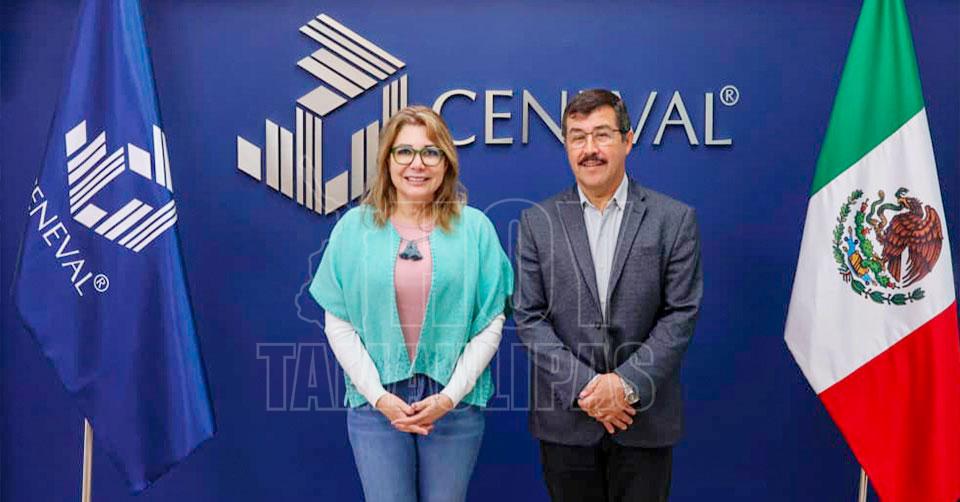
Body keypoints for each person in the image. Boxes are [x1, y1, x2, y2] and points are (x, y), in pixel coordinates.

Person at [309, 105, 512, 502]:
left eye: (430, 152)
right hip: (375, 401)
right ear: (387, 160)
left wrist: (450, 396)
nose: (417, 164)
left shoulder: (476, 229)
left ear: (446, 162)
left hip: (454, 400)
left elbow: (491, 321)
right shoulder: (353, 229)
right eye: (404, 151)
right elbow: (338, 322)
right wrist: (379, 396)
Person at [514, 89, 703, 502]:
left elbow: (680, 314)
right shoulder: (536, 222)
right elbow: (529, 316)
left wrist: (625, 385)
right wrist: (587, 388)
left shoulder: (673, 219)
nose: (590, 149)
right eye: (578, 137)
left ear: (627, 140)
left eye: (602, 134)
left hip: (643, 419)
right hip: (566, 423)